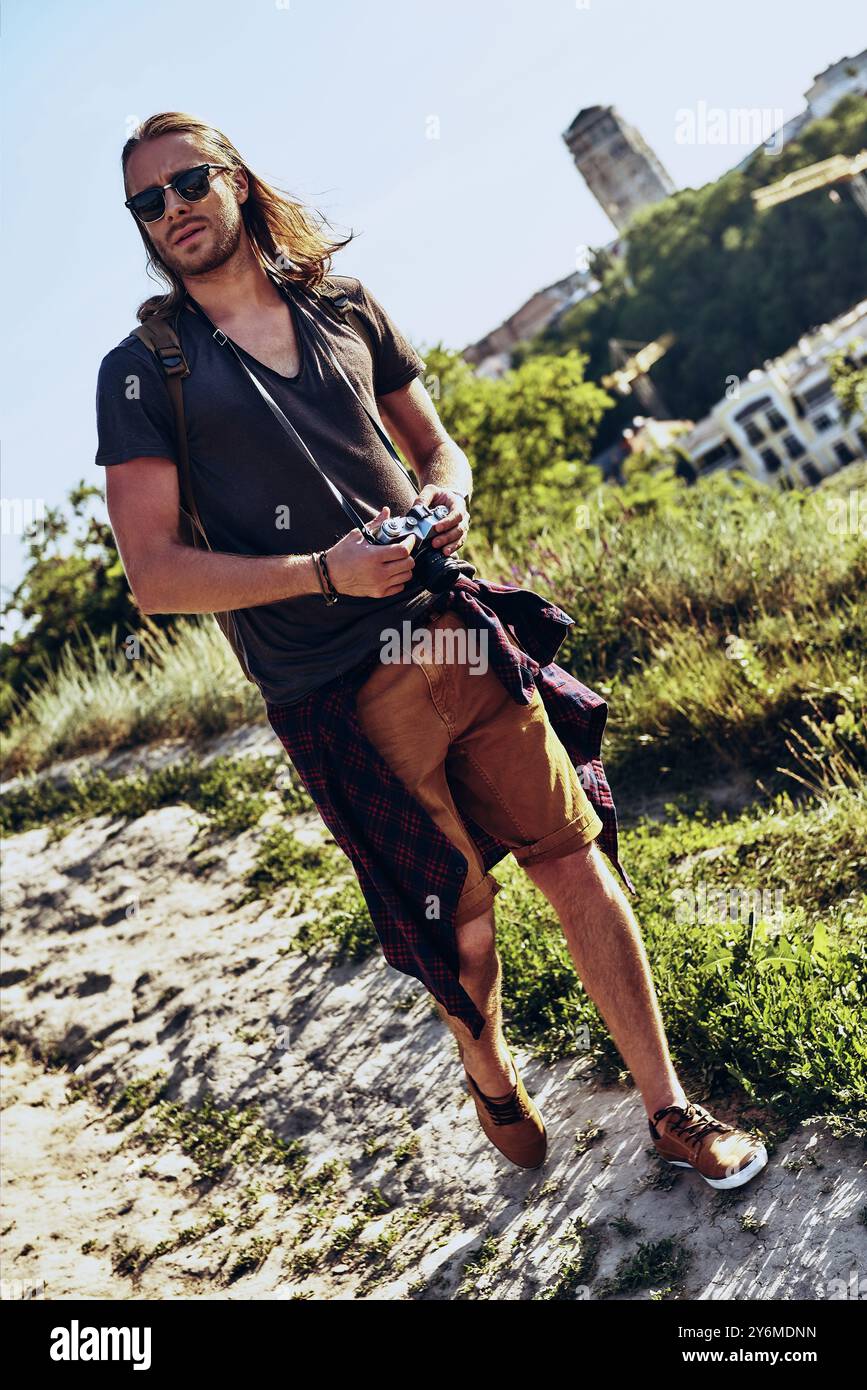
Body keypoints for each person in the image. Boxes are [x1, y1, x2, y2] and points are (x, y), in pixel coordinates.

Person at [95, 112, 768, 1190]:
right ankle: (487, 1066)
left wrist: (448, 491)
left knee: (573, 853)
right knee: (458, 925)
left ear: (234, 181)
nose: (171, 208)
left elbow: (436, 442)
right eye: (147, 201)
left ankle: (670, 1109)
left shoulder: (343, 304)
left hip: (452, 632)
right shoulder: (143, 372)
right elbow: (156, 573)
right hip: (334, 689)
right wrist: (324, 571)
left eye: (187, 183)